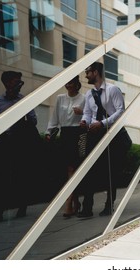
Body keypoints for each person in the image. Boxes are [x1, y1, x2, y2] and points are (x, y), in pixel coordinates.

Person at [78, 61, 132, 218]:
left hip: (111, 134)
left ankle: (109, 205)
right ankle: (87, 207)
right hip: (94, 134)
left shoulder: (113, 90)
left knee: (110, 172)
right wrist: (84, 121)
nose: (86, 75)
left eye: (88, 72)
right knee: (89, 171)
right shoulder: (89, 94)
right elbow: (88, 113)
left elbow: (121, 112)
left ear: (95, 72)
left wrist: (102, 123)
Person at [0, 71, 40, 224]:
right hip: (3, 144)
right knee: (0, 178)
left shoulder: (23, 100)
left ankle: (22, 207)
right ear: (7, 83)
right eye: (17, 81)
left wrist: (24, 111)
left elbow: (33, 121)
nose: (19, 84)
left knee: (20, 175)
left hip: (19, 144)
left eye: (20, 82)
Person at [45, 75, 85, 217]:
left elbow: (88, 116)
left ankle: (69, 203)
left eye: (71, 83)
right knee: (68, 169)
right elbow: (54, 117)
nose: (68, 85)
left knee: (73, 169)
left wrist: (83, 114)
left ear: (76, 84)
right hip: (65, 134)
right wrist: (49, 132)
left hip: (78, 134)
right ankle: (75, 202)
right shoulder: (60, 98)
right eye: (67, 82)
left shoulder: (83, 98)